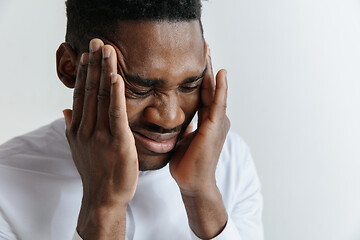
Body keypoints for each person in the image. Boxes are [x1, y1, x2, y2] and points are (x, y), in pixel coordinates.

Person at [0, 0, 263, 239]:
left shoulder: (232, 163)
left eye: (189, 84)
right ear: (70, 68)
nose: (171, 117)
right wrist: (104, 206)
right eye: (140, 88)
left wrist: (202, 195)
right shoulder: (6, 184)